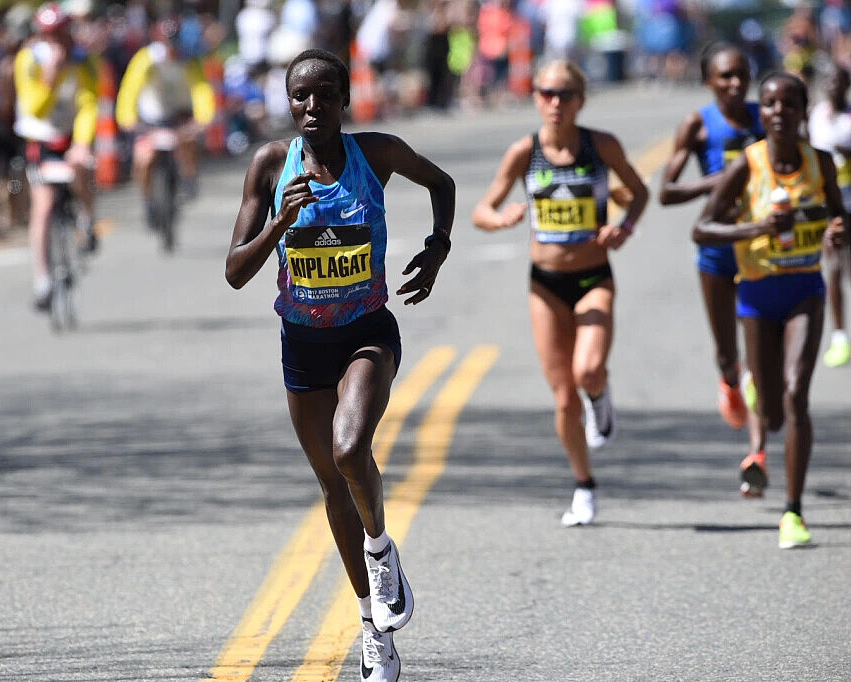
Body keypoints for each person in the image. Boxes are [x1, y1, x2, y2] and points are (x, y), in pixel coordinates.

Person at [225, 49, 454, 681]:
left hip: (367, 334)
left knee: (350, 450)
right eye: (301, 95)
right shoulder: (271, 165)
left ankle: (381, 551)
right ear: (287, 102)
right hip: (303, 344)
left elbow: (441, 183)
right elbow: (235, 271)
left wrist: (438, 246)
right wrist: (280, 221)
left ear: (345, 100)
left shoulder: (375, 154)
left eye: (326, 94)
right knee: (332, 488)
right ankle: (372, 629)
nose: (313, 106)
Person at [472, 60, 648, 527]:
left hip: (593, 277)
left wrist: (624, 227)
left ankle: (600, 394)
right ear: (535, 98)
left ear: (581, 101)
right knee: (564, 397)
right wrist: (501, 219)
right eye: (547, 93)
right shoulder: (524, 152)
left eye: (565, 94)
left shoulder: (601, 145)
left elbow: (639, 192)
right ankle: (583, 485)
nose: (555, 102)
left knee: (588, 369)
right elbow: (481, 210)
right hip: (545, 285)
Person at [694, 72, 846, 549]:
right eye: (770, 104)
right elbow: (702, 228)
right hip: (757, 295)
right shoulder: (749, 164)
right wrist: (756, 228)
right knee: (775, 413)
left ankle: (792, 512)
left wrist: (838, 231)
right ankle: (755, 390)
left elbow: (840, 217)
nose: (779, 112)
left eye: (789, 104)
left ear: (803, 111)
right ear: (762, 113)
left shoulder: (820, 163)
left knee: (797, 396)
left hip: (804, 290)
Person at [658, 43, 768, 495]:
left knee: (761, 358)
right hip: (717, 253)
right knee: (729, 355)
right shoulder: (698, 124)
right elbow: (666, 191)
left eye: (741, 74)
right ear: (708, 81)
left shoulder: (769, 116)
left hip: (762, 250)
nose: (735, 84)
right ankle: (728, 381)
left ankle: (757, 455)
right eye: (725, 76)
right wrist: (720, 180)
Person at [14, 2, 100, 309]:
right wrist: (50, 76)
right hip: (40, 138)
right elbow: (34, 108)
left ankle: (87, 220)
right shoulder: (28, 60)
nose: (56, 41)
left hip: (71, 135)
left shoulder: (83, 61)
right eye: (49, 35)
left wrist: (82, 143)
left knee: (81, 170)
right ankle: (43, 279)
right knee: (43, 206)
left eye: (60, 34)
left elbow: (89, 104)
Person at [115, 18, 199, 223]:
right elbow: (129, 89)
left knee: (188, 142)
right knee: (144, 159)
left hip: (178, 115)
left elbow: (201, 89)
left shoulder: (188, 59)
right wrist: (127, 117)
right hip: (150, 119)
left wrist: (203, 118)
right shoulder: (145, 59)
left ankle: (189, 179)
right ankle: (147, 198)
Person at [808, 63, 851, 368]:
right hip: (827, 205)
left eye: (839, 80)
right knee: (833, 266)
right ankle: (839, 336)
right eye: (829, 80)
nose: (833, 85)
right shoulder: (816, 115)